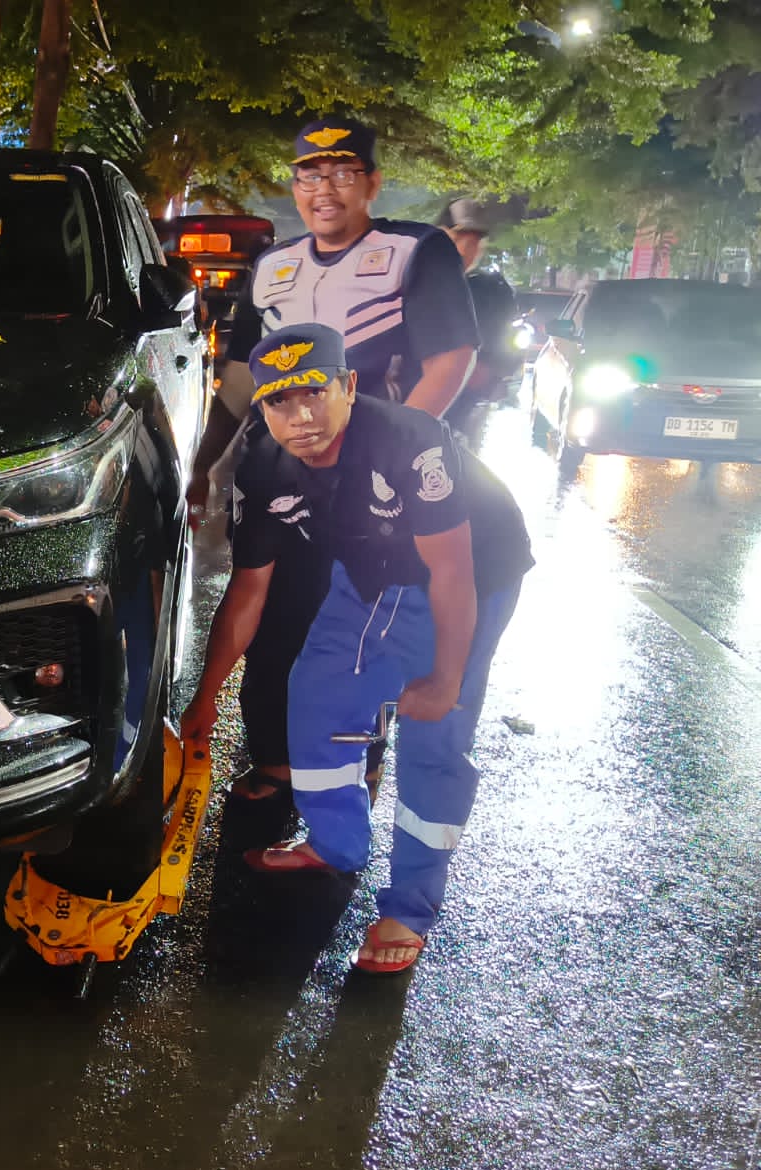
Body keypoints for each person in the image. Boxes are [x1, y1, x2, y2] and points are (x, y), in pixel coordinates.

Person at [182, 323, 533, 972]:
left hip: (472, 572)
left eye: (315, 393)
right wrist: (204, 700)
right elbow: (248, 592)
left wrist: (445, 677)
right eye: (279, 401)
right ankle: (336, 845)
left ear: (349, 385)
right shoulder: (262, 462)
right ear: (261, 408)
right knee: (315, 694)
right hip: (368, 564)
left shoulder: (407, 441)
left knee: (435, 735)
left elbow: (452, 573)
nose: (301, 417)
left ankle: (409, 908)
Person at [185, 119, 480, 812]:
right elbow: (236, 378)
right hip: (282, 465)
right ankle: (277, 763)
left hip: (373, 472)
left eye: (344, 174)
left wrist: (398, 449)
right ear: (295, 187)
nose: (326, 190)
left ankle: (354, 767)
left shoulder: (415, 250)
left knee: (356, 624)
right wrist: (204, 462)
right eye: (311, 176)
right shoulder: (271, 267)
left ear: (372, 183)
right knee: (272, 605)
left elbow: (451, 359)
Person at [436, 197, 521, 433]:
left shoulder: (492, 292)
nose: (466, 249)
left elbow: (508, 342)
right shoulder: (412, 280)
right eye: (458, 239)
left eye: (474, 243)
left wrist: (494, 371)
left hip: (462, 405)